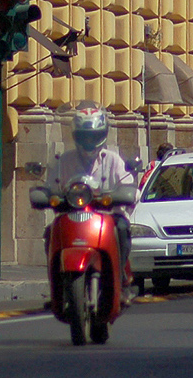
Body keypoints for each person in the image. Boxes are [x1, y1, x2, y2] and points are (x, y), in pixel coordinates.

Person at [47, 103, 136, 273]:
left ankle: (120, 274)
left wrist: (125, 194)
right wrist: (48, 195)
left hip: (108, 216)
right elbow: (51, 185)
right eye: (84, 137)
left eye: (94, 136)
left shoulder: (113, 160)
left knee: (122, 228)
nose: (89, 141)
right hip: (73, 215)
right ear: (76, 136)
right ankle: (55, 277)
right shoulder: (64, 160)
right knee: (51, 231)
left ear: (102, 135)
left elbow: (128, 184)